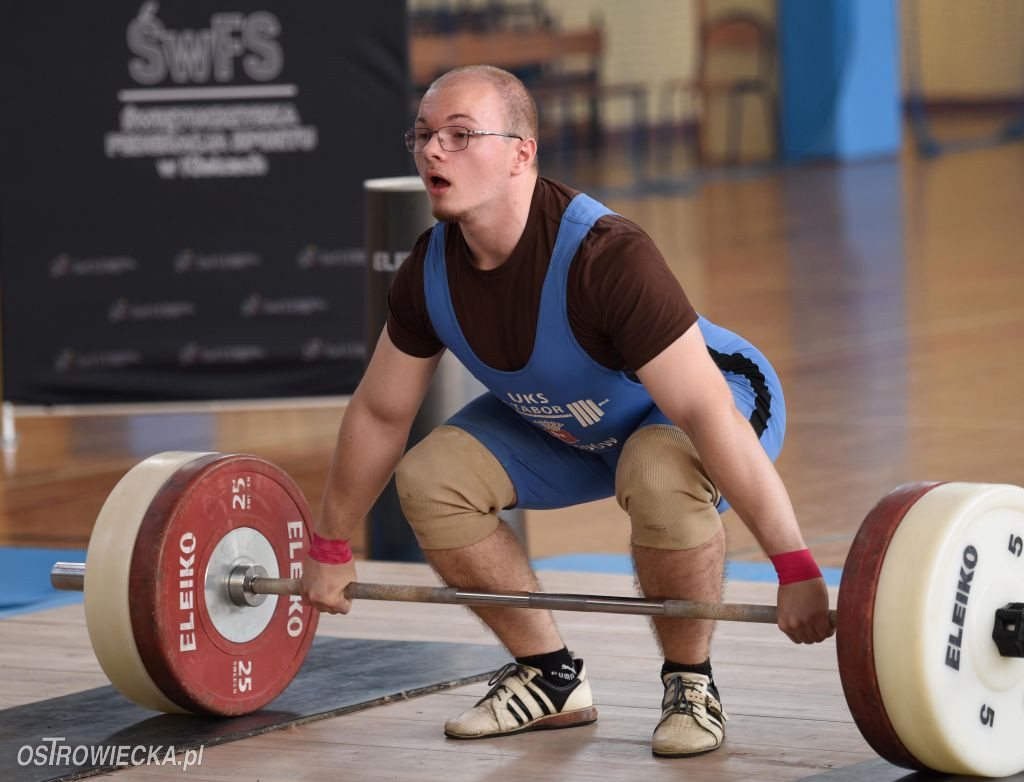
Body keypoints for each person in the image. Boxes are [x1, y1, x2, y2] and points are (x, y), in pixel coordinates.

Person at [301, 64, 833, 758]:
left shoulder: (607, 258)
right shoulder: (428, 272)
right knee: (431, 481)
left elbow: (705, 414)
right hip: (570, 420)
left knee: (658, 471)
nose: (434, 150)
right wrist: (330, 545)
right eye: (425, 135)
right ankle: (548, 678)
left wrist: (794, 567)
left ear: (523, 151)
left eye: (461, 135)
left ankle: (690, 682)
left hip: (712, 401)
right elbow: (378, 414)